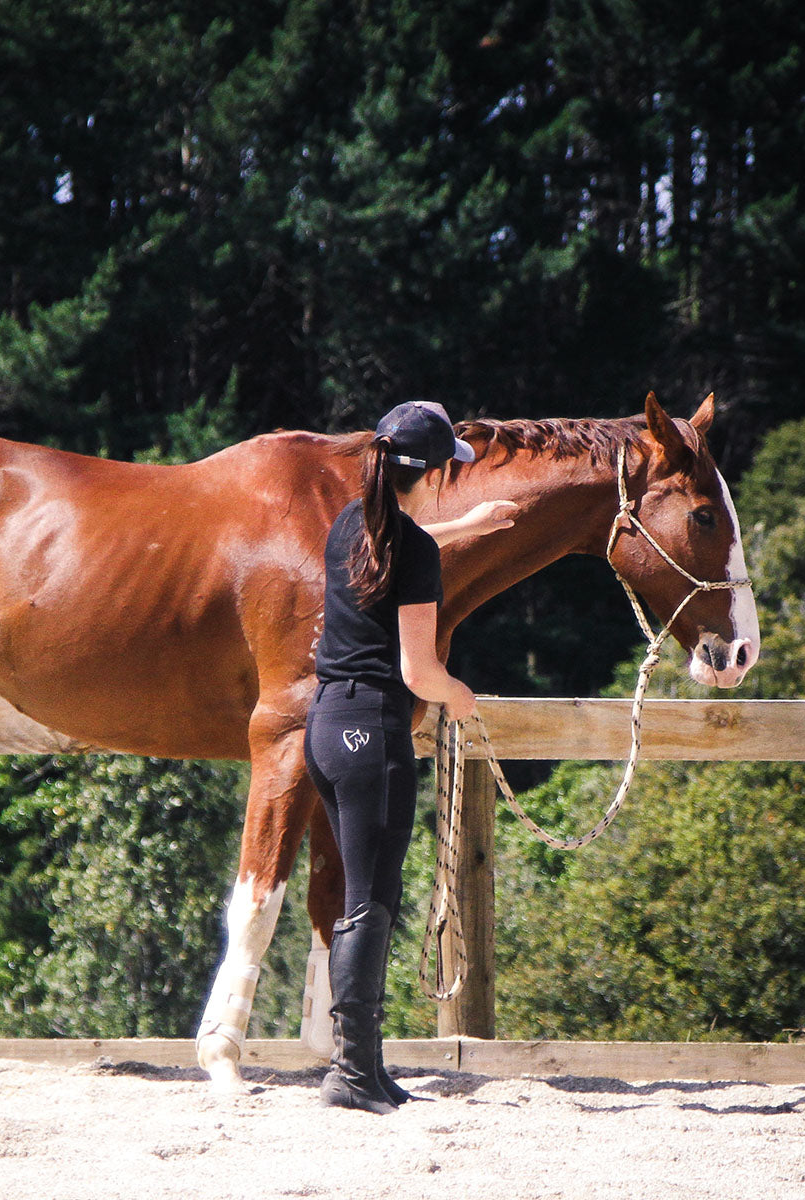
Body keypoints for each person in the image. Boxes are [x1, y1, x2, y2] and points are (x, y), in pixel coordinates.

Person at [304, 400, 516, 1114]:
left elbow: (410, 542)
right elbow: (419, 673)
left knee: (359, 899)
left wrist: (468, 528)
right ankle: (353, 1074)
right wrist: (460, 697)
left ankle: (363, 1063)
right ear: (426, 474)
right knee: (370, 903)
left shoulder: (348, 525)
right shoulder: (413, 549)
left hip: (327, 727)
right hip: (373, 732)